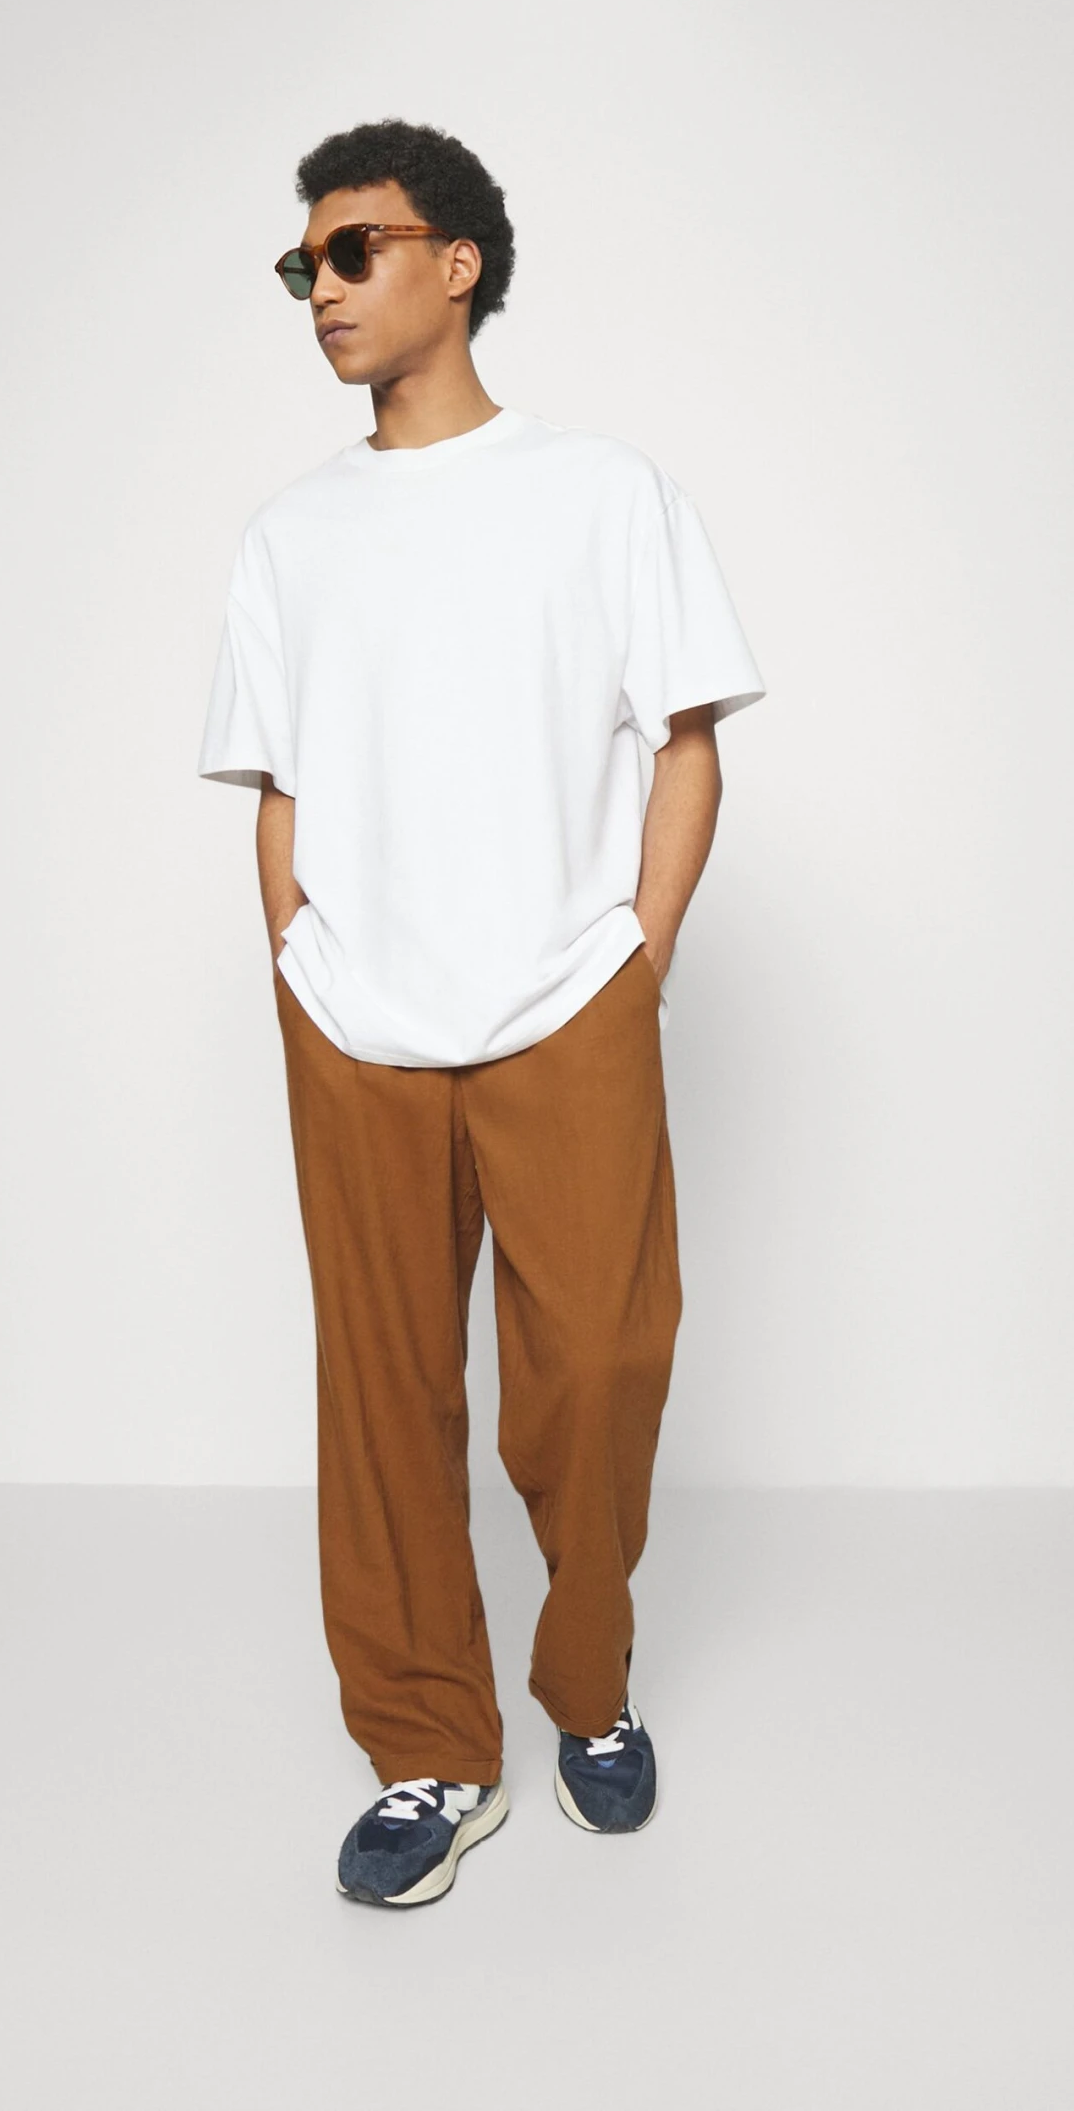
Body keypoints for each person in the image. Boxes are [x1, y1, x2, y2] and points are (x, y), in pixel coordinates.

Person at [198, 117, 766, 1908]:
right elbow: (278, 781)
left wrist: (638, 955)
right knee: (381, 1394)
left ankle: (587, 1686)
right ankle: (429, 1747)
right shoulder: (289, 536)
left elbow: (686, 741)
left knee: (599, 1361)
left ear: (457, 263)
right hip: (354, 1015)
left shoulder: (603, 492)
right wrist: (295, 956)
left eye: (351, 249)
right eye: (301, 264)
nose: (319, 289)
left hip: (564, 998)